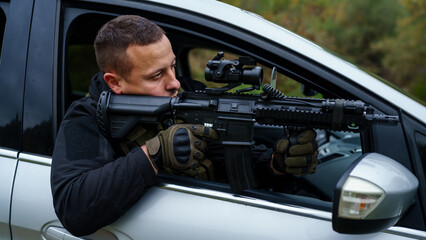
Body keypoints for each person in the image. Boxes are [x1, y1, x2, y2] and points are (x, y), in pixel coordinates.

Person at [51, 15, 318, 237]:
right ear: (115, 82)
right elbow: (73, 207)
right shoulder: (86, 118)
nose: (175, 82)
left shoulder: (187, 94)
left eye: (173, 67)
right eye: (157, 75)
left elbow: (222, 156)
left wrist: (273, 164)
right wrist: (153, 155)